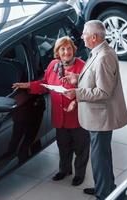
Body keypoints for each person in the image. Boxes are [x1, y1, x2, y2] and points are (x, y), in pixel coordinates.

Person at [63, 20, 127, 200]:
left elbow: (103, 91)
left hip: (101, 118)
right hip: (99, 116)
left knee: (100, 158)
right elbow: (95, 78)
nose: (81, 36)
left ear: (94, 37)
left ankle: (104, 193)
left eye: (84, 33)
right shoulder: (99, 51)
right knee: (102, 156)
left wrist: (77, 93)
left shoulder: (103, 57)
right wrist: (78, 78)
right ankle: (106, 186)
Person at [12, 36, 90, 186]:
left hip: (78, 117)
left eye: (69, 48)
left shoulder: (82, 66)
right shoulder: (53, 65)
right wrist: (27, 85)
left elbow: (88, 90)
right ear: (57, 52)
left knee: (81, 149)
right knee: (63, 146)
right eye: (62, 49)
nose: (66, 52)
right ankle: (64, 170)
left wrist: (75, 100)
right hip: (60, 118)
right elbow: (45, 84)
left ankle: (79, 174)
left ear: (73, 50)